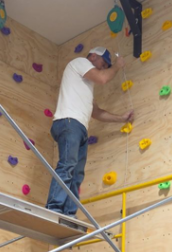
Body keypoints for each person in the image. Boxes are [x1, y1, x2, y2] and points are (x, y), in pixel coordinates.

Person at [45, 46, 134, 216]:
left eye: (107, 65)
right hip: (68, 123)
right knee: (68, 165)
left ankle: (69, 213)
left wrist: (121, 118)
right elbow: (102, 78)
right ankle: (54, 208)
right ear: (93, 56)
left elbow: (97, 112)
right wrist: (117, 65)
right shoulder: (79, 63)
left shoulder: (84, 85)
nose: (104, 67)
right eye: (104, 63)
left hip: (79, 128)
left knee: (77, 174)